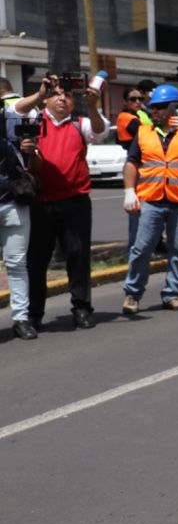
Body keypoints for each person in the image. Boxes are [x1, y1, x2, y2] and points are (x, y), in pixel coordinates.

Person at [15, 74, 107, 331]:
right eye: (56, 94)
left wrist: (92, 105)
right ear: (47, 97)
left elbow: (101, 131)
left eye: (67, 95)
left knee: (78, 257)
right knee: (36, 261)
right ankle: (34, 314)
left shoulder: (81, 123)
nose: (61, 99)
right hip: (40, 202)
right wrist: (39, 93)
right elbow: (16, 109)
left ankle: (82, 308)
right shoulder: (33, 120)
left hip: (75, 201)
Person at [121, 84, 178, 314]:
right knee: (141, 249)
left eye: (161, 107)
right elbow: (132, 162)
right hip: (151, 200)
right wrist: (129, 191)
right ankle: (132, 294)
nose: (155, 111)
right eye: (153, 107)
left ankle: (172, 294)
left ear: (175, 108)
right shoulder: (144, 132)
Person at [0, 116, 37, 338]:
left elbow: (26, 166)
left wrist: (27, 151)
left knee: (16, 264)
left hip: (13, 206)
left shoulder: (10, 140)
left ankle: (21, 318)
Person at [115, 83, 152, 248]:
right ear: (125, 102)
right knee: (137, 209)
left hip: (144, 164)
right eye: (133, 99)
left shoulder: (139, 115)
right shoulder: (127, 117)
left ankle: (148, 245)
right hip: (136, 164)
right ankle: (136, 247)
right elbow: (145, 135)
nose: (137, 102)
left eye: (140, 99)